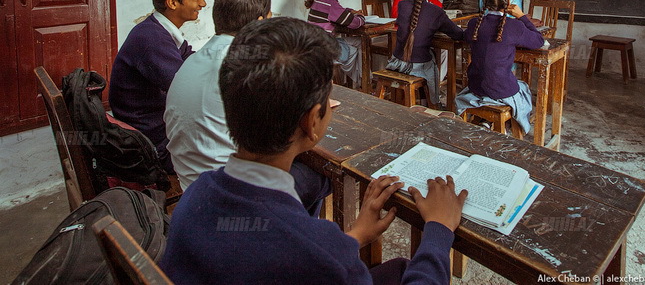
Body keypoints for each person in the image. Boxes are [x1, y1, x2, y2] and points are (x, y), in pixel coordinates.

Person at [160, 17, 468, 285]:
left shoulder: (194, 198)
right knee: (406, 271)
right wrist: (439, 229)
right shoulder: (320, 254)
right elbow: (312, 258)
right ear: (312, 122)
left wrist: (356, 235)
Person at [163, 0, 329, 215]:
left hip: (192, 182)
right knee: (321, 173)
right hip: (227, 186)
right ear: (260, 24)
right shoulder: (244, 68)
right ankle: (295, 233)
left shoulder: (194, 59)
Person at [109, 0, 207, 173]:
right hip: (156, 147)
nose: (203, 4)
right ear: (173, 2)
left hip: (156, 131)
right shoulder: (151, 39)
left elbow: (192, 60)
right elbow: (189, 92)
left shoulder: (159, 31)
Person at [455, 0, 544, 134]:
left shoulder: (474, 24)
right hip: (502, 90)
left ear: (483, 2)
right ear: (508, 3)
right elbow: (538, 41)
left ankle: (488, 120)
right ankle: (506, 125)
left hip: (476, 88)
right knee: (523, 87)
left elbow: (466, 36)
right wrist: (522, 16)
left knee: (495, 79)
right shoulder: (514, 25)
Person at [386, 0, 464, 106]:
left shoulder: (402, 5)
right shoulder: (436, 11)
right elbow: (457, 34)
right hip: (419, 66)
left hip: (397, 62)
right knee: (432, 65)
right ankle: (433, 102)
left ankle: (422, 102)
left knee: (429, 58)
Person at [306, 0, 364, 88]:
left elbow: (339, 12)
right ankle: (362, 83)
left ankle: (356, 83)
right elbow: (355, 23)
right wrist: (361, 16)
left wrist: (349, 11)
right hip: (326, 50)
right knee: (361, 43)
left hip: (315, 47)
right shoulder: (330, 2)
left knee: (351, 45)